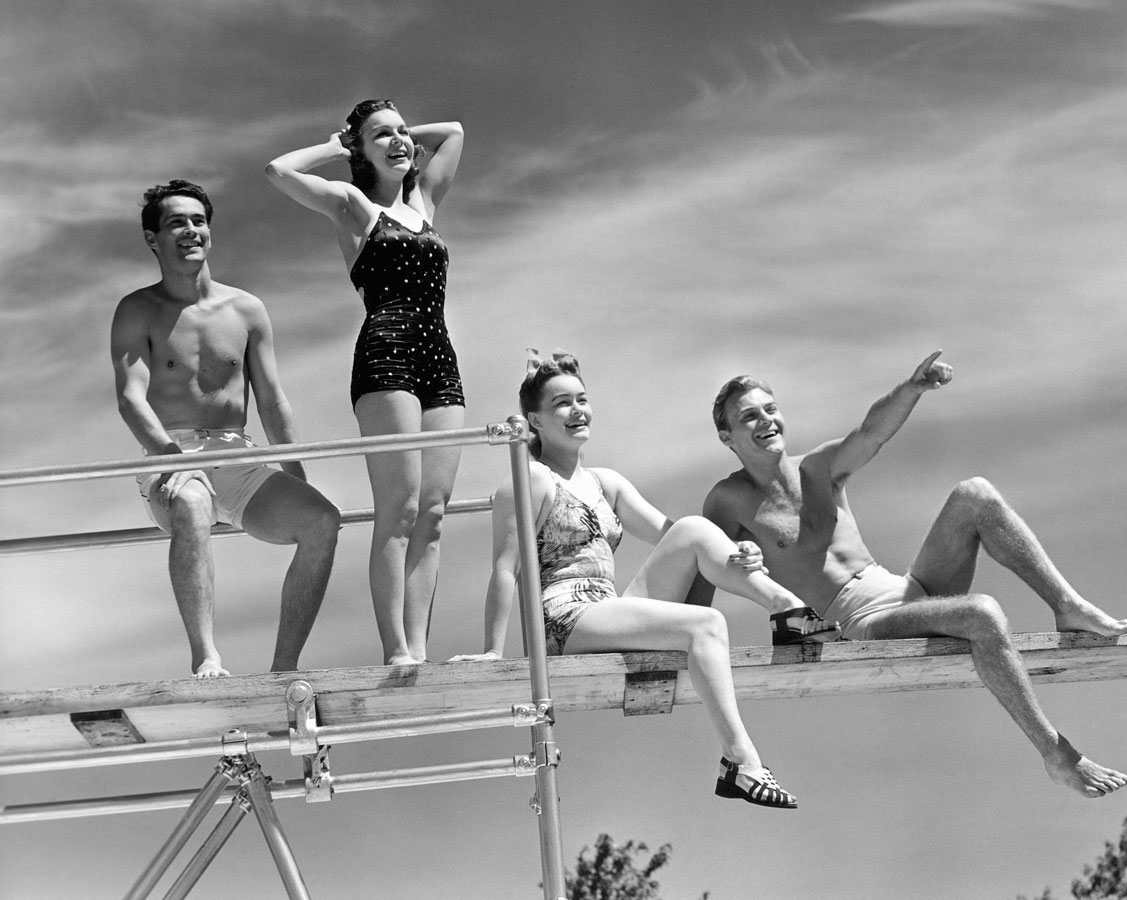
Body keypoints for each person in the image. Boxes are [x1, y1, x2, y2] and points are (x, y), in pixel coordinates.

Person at [692, 350, 1127, 798]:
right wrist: (734, 562)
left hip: (908, 589)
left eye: (770, 409)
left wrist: (912, 389)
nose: (765, 420)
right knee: (982, 613)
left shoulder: (818, 468)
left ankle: (1067, 605)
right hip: (857, 621)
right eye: (748, 416)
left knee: (974, 494)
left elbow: (870, 433)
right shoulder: (728, 500)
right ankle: (1056, 754)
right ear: (727, 437)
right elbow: (705, 567)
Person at [454, 351, 833, 808]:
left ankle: (786, 608)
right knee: (707, 625)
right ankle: (742, 763)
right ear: (534, 419)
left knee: (693, 528)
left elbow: (678, 537)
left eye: (582, 399)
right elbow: (505, 566)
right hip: (566, 619)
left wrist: (739, 554)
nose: (577, 411)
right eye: (561, 404)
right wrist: (493, 652)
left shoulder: (605, 482)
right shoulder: (530, 479)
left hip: (609, 608)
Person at [110, 180, 340, 678]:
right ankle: (206, 657)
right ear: (153, 238)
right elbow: (130, 397)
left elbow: (273, 401)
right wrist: (172, 457)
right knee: (192, 503)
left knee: (322, 520)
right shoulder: (137, 310)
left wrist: (295, 472)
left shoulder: (246, 309)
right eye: (176, 222)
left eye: (198, 220)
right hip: (171, 454)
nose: (190, 230)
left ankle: (283, 668)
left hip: (238, 455)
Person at [265, 100, 465, 665]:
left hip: (439, 357)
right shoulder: (354, 206)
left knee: (433, 511)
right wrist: (340, 144)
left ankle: (420, 647)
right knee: (398, 510)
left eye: (404, 133)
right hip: (387, 355)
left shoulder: (424, 202)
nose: (401, 141)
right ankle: (396, 648)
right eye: (385, 136)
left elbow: (452, 131)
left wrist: (392, 131)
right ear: (361, 149)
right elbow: (278, 172)